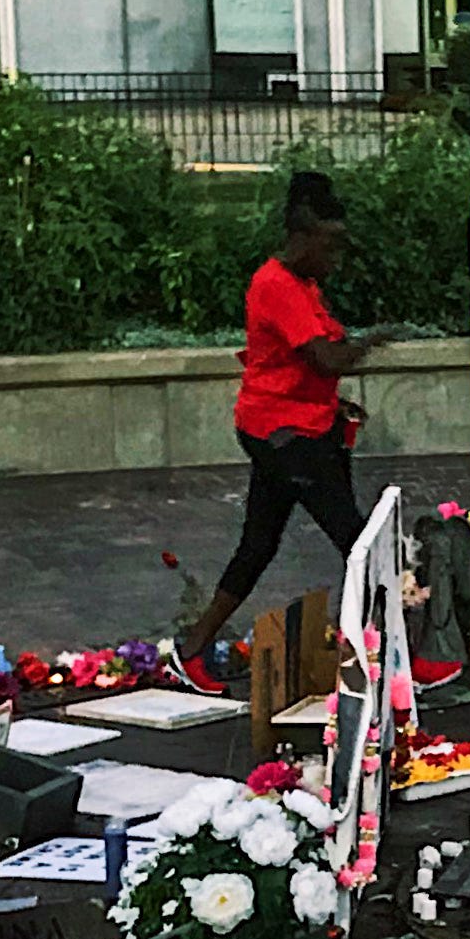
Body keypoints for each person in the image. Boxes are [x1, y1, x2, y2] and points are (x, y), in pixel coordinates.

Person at [179, 170, 370, 671]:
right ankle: (377, 649)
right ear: (302, 237)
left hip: (294, 427)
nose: (336, 260)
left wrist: (334, 404)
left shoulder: (303, 284)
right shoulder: (278, 285)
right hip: (286, 436)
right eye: (330, 247)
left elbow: (302, 365)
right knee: (358, 540)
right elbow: (324, 358)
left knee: (259, 543)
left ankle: (193, 647)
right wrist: (371, 345)